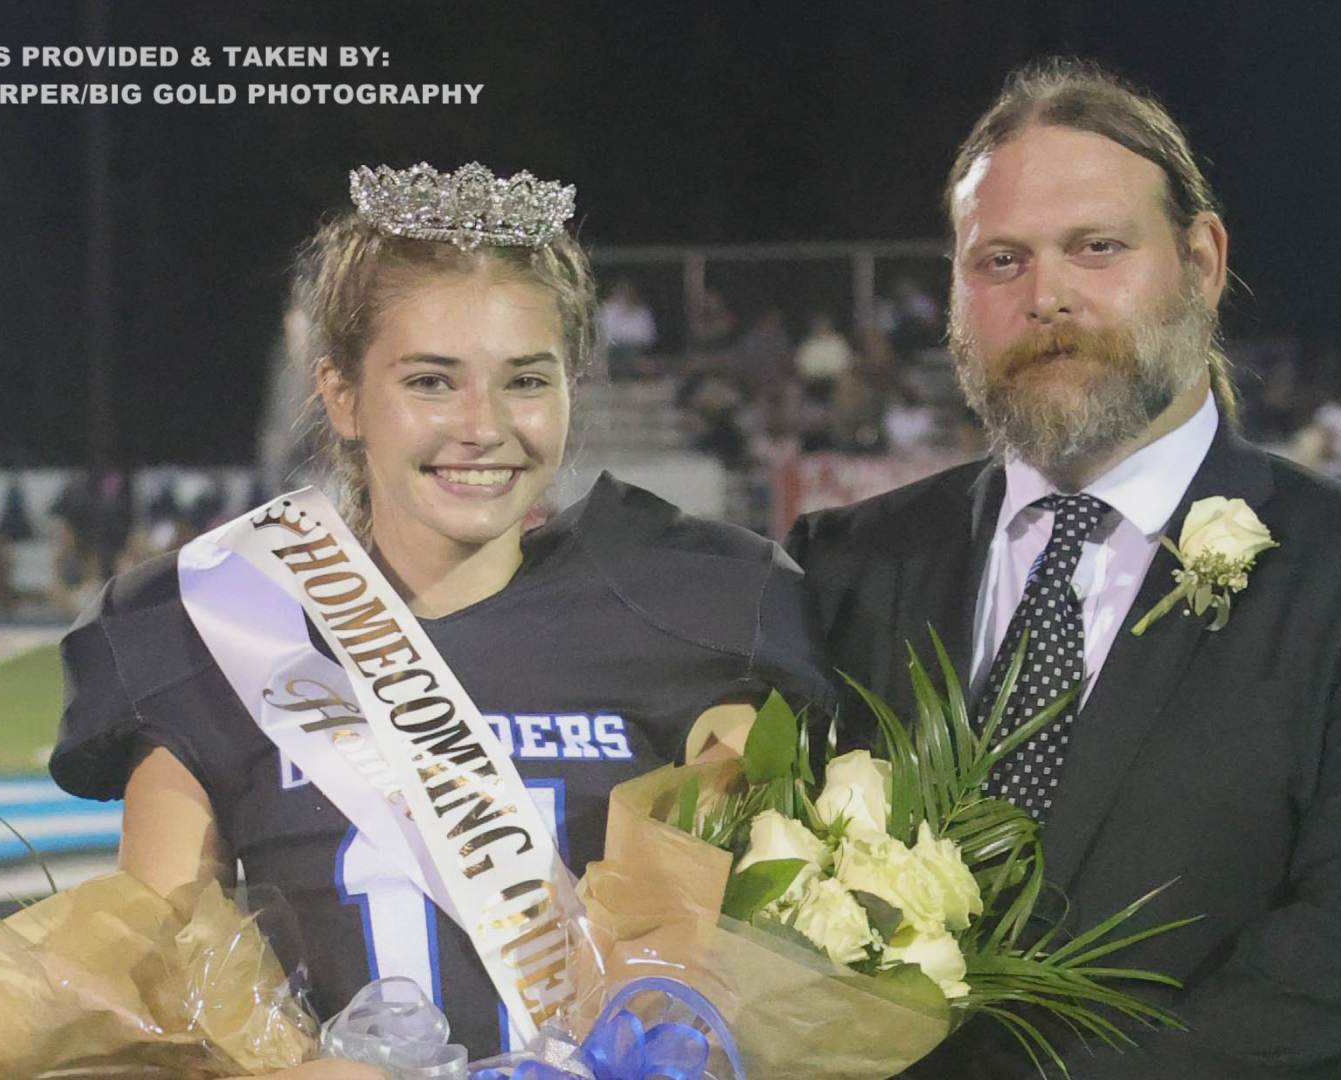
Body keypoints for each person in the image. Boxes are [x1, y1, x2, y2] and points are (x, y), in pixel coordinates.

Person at [787, 60, 1341, 1079]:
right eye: (1000, 261)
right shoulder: (844, 564)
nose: (1048, 297)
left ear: (1203, 262)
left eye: (1098, 247)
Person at [49, 163, 833, 1074]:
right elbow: (155, 1001)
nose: (484, 426)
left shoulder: (697, 606)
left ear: (571, 390)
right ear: (341, 395)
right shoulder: (216, 625)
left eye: (525, 381)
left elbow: (750, 963)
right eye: (431, 381)